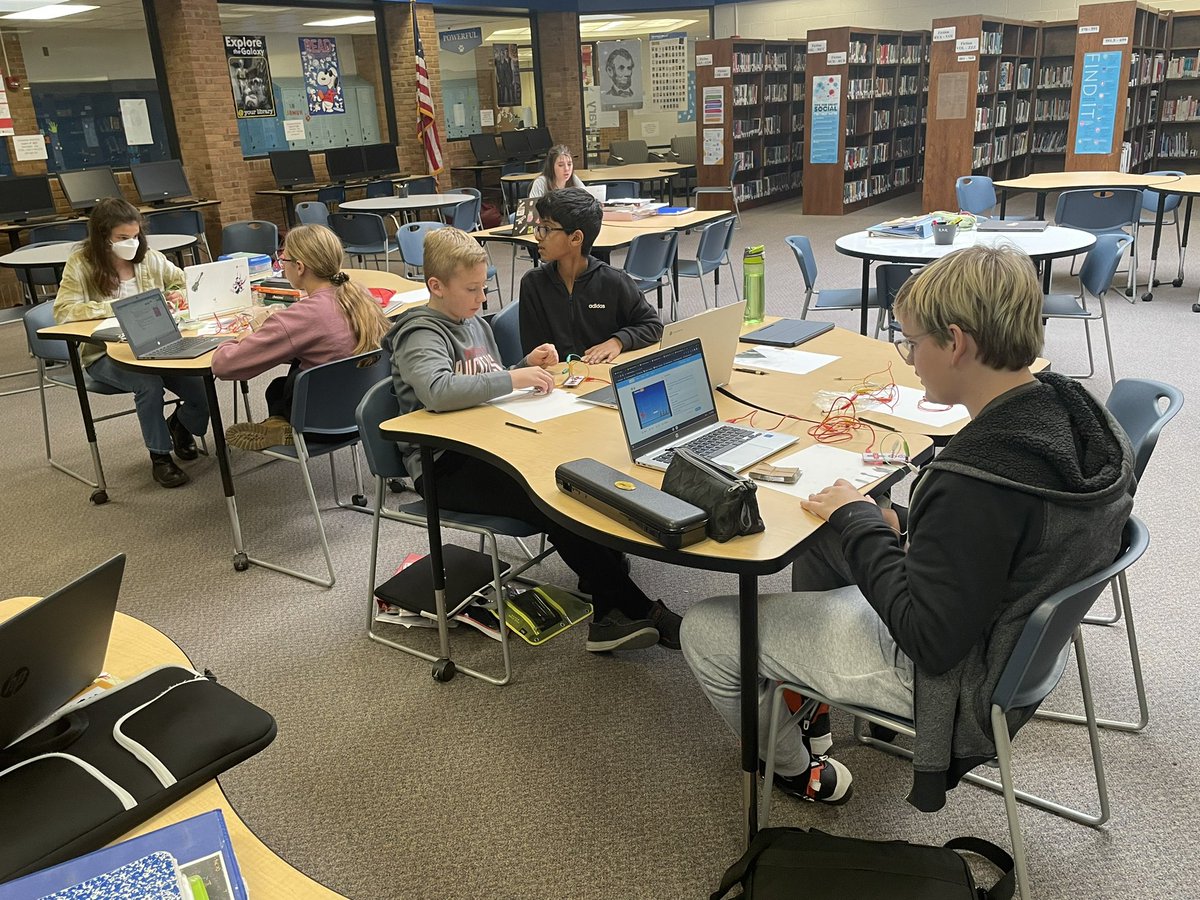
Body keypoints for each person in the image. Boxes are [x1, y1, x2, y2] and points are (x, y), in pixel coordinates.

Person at [680, 245, 1134, 809]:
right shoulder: (1067, 413)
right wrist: (894, 522)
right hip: (1002, 627)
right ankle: (807, 693)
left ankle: (793, 767)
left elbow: (929, 640)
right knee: (826, 533)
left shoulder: (976, 480)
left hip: (950, 674)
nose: (911, 358)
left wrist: (861, 521)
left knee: (705, 629)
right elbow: (999, 541)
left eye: (913, 342)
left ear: (957, 342)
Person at [384, 227, 680, 652]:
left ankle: (607, 605)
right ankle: (633, 608)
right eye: (471, 289)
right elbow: (438, 391)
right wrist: (512, 377)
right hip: (444, 463)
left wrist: (523, 365)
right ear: (435, 286)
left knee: (578, 469)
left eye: (483, 287)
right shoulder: (422, 334)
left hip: (489, 442)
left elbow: (482, 378)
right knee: (552, 495)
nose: (481, 298)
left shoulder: (468, 320)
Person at [53, 197, 209, 489]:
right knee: (147, 386)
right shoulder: (82, 263)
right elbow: (64, 311)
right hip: (106, 354)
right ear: (102, 237)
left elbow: (181, 281)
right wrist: (119, 307)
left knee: (200, 386)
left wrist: (177, 295)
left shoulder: (148, 257)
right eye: (122, 238)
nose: (132, 243)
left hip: (156, 345)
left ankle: (180, 425)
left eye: (136, 236)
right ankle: (160, 457)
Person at [211, 224, 389, 450]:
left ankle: (282, 426)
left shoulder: (301, 317)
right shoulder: (360, 295)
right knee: (289, 377)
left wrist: (240, 338)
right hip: (367, 413)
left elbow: (223, 366)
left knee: (278, 388)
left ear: (299, 267)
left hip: (319, 425)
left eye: (283, 261)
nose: (281, 267)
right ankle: (278, 425)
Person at [518, 187, 661, 364]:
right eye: (539, 228)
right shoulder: (533, 284)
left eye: (546, 228)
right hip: (555, 382)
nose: (538, 236)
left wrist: (618, 341)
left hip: (601, 377)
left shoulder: (613, 281)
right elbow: (532, 351)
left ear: (576, 238)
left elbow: (653, 326)